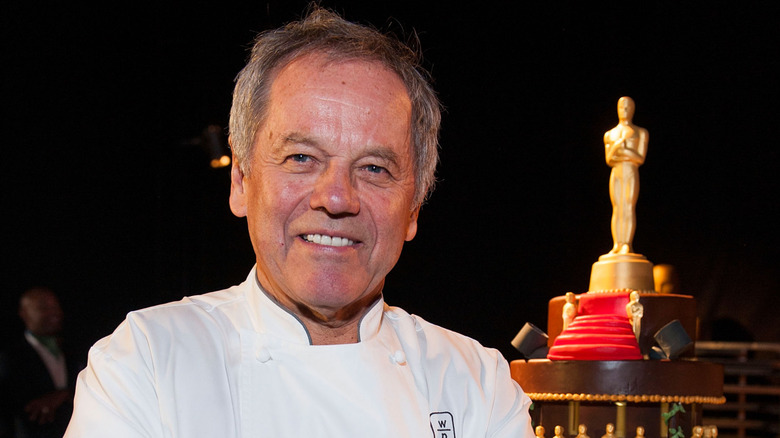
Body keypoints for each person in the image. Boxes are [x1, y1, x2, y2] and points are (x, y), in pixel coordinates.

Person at [64, 7, 533, 437]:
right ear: (241, 181)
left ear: (413, 208)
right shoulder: (146, 363)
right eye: (301, 158)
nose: (336, 198)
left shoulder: (476, 384)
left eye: (374, 168)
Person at [0, 287, 80, 438]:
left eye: (55, 307)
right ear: (23, 313)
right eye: (43, 308)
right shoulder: (10, 358)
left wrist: (63, 394)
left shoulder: (73, 351)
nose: (54, 313)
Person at [603, 96, 648, 255]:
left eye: (628, 107)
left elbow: (640, 158)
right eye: (622, 107)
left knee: (628, 206)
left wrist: (623, 151)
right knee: (617, 208)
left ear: (633, 109)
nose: (625, 110)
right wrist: (618, 145)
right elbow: (609, 159)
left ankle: (626, 243)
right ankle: (617, 243)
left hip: (630, 171)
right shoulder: (610, 134)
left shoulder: (640, 132)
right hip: (616, 171)